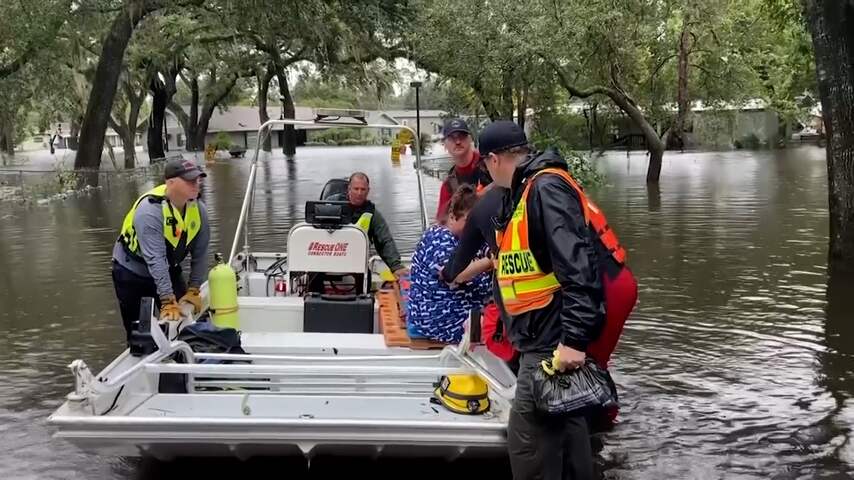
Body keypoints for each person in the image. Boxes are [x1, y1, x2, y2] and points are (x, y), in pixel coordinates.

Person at [481, 120, 637, 480]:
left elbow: (578, 268)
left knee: (528, 443)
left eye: (485, 167)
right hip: (543, 333)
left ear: (493, 159)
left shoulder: (545, 189)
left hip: (551, 339)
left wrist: (573, 342)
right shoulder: (525, 191)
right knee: (566, 430)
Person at [112, 158, 210, 342]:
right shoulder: (150, 212)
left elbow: (201, 252)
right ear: (170, 183)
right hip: (132, 272)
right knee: (139, 333)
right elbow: (155, 259)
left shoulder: (199, 209)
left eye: (197, 179)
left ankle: (183, 359)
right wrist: (167, 300)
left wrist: (194, 288)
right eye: (189, 180)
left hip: (169, 266)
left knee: (185, 322)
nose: (196, 184)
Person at [406, 185, 493, 343]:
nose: (473, 227)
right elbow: (454, 275)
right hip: (441, 321)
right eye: (469, 221)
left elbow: (489, 248)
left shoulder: (472, 237)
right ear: (453, 216)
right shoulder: (438, 238)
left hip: (462, 312)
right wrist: (490, 261)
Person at [328, 172, 407, 278]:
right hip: (329, 253)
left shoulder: (372, 213)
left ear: (368, 191)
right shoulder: (332, 203)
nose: (359, 193)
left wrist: (396, 266)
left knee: (366, 277)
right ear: (349, 189)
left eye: (363, 189)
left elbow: (384, 240)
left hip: (357, 259)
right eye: (356, 189)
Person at [435, 118, 493, 222]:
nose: (457, 142)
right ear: (444, 144)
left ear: (470, 139)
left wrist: (480, 195)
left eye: (462, 136)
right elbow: (441, 222)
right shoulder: (448, 185)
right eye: (452, 138)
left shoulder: (490, 162)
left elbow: (507, 182)